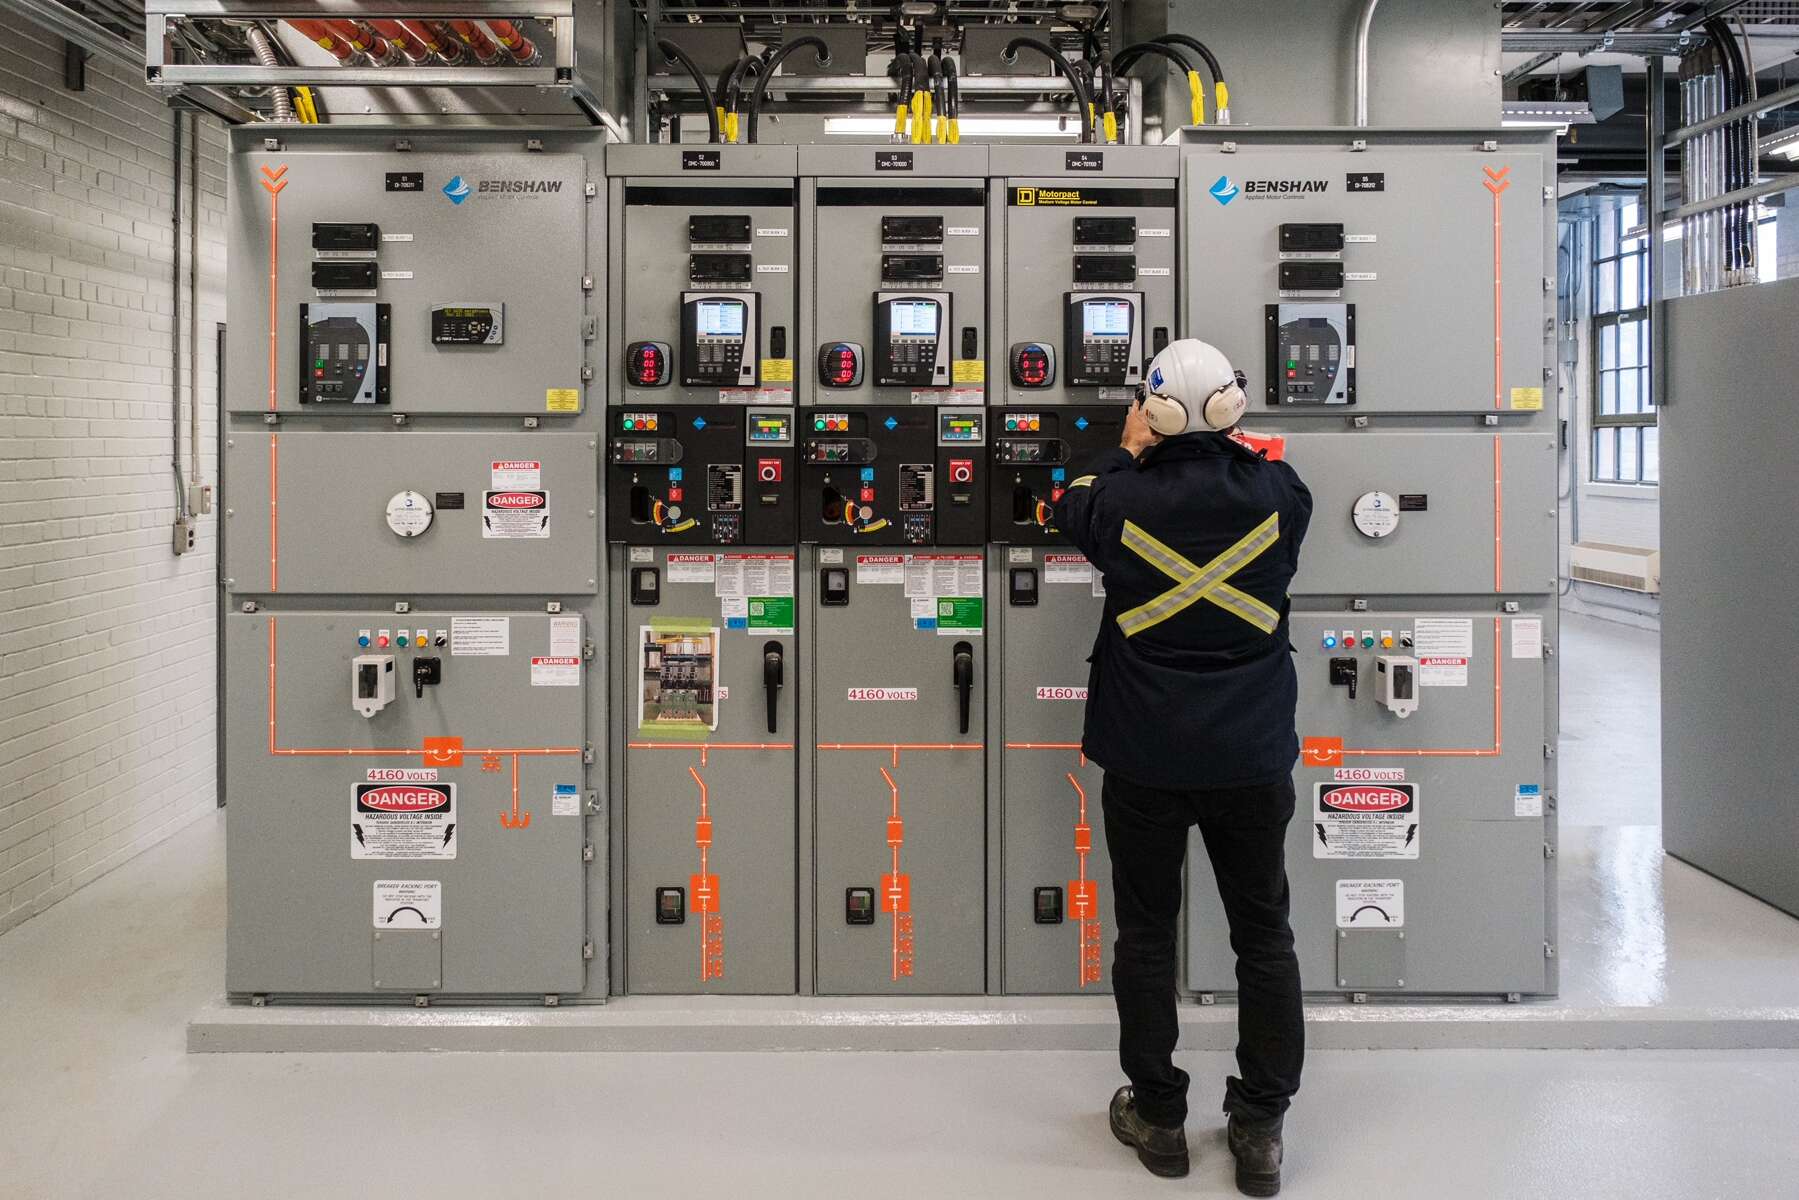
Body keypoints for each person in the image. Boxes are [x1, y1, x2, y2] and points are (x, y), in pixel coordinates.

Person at [1051, 339, 1312, 1196]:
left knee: (1146, 936)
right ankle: (1260, 1128)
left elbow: (1067, 505)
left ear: (1152, 411)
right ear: (1234, 406)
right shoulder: (1282, 493)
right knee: (1263, 936)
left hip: (1146, 755)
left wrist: (1124, 451)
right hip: (1249, 755)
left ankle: (1159, 1116)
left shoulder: (1115, 499)